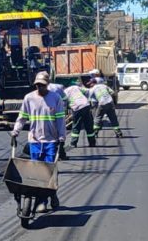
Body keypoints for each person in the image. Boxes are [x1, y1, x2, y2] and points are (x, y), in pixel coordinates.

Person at [11, 71, 65, 212]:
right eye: (37, 85)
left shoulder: (56, 98)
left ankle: (51, 195)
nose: (39, 88)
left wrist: (62, 136)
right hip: (34, 141)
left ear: (47, 85)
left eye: (42, 85)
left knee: (49, 172)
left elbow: (60, 119)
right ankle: (42, 200)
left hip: (51, 141)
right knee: (37, 173)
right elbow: (22, 117)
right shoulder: (29, 98)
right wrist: (16, 130)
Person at [63, 75, 97, 148]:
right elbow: (87, 91)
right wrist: (87, 99)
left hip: (77, 108)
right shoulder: (76, 87)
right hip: (86, 105)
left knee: (76, 125)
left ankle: (73, 143)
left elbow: (64, 104)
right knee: (89, 125)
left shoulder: (64, 92)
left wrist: (65, 113)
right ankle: (92, 143)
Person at [88, 74, 123, 139]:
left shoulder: (92, 89)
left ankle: (95, 133)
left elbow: (89, 98)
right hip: (110, 102)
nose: (90, 85)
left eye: (90, 83)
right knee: (113, 118)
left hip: (102, 103)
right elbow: (113, 92)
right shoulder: (104, 86)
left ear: (94, 83)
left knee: (97, 118)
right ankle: (119, 133)